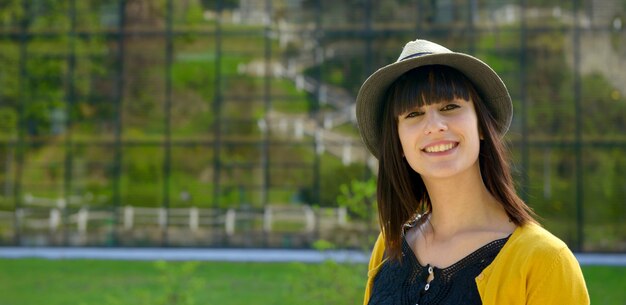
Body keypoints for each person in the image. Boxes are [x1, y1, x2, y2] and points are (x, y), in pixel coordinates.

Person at [355, 39, 589, 305]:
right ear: (397, 142)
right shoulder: (389, 246)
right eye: (413, 114)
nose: (435, 126)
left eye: (449, 107)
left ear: (481, 126)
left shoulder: (545, 261)